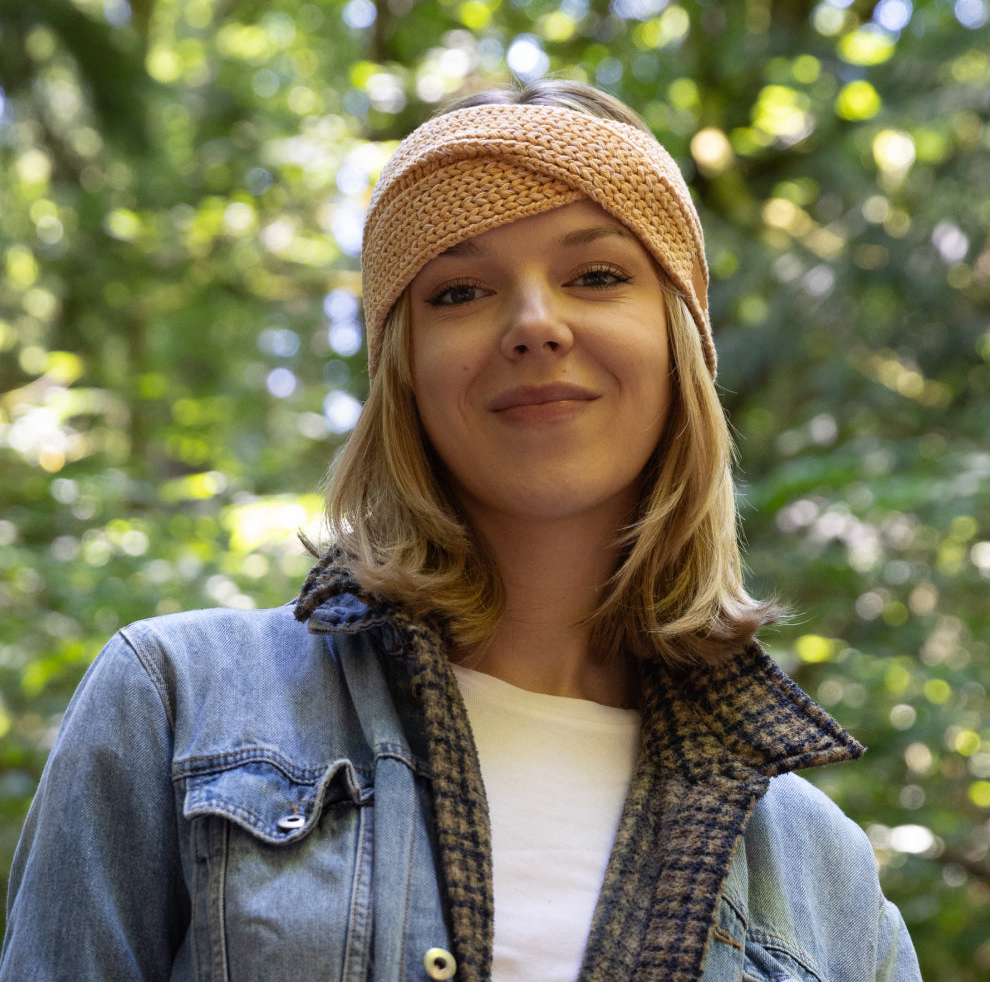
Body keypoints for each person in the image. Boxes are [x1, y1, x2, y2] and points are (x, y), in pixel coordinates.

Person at [1, 79, 922, 982]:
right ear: (403, 373)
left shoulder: (824, 878)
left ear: (680, 347)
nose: (534, 323)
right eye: (458, 292)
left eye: (597, 275)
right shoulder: (175, 705)